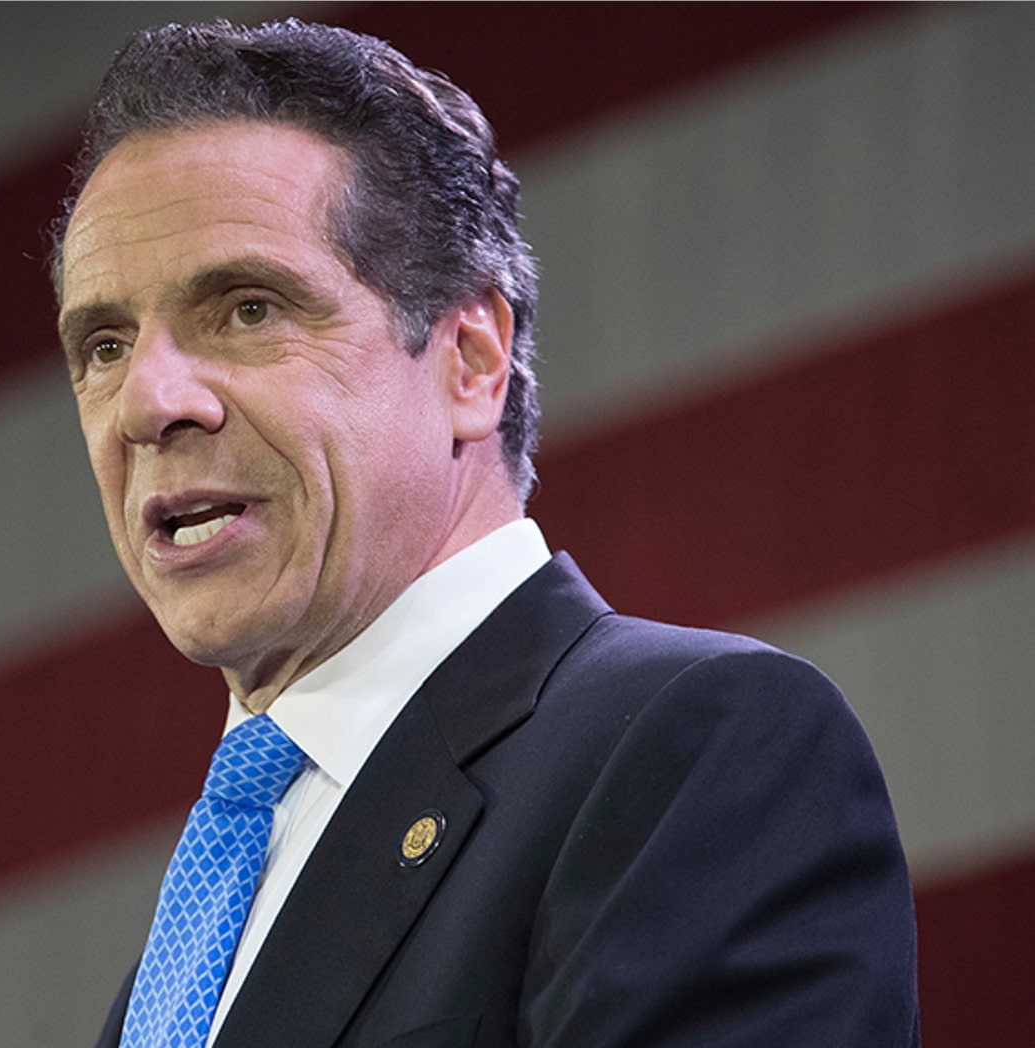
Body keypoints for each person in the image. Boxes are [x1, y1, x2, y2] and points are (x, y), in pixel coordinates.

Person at [48, 19, 918, 1048]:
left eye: (245, 308)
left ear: (469, 363)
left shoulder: (690, 749)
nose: (146, 400)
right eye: (103, 344)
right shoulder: (202, 913)